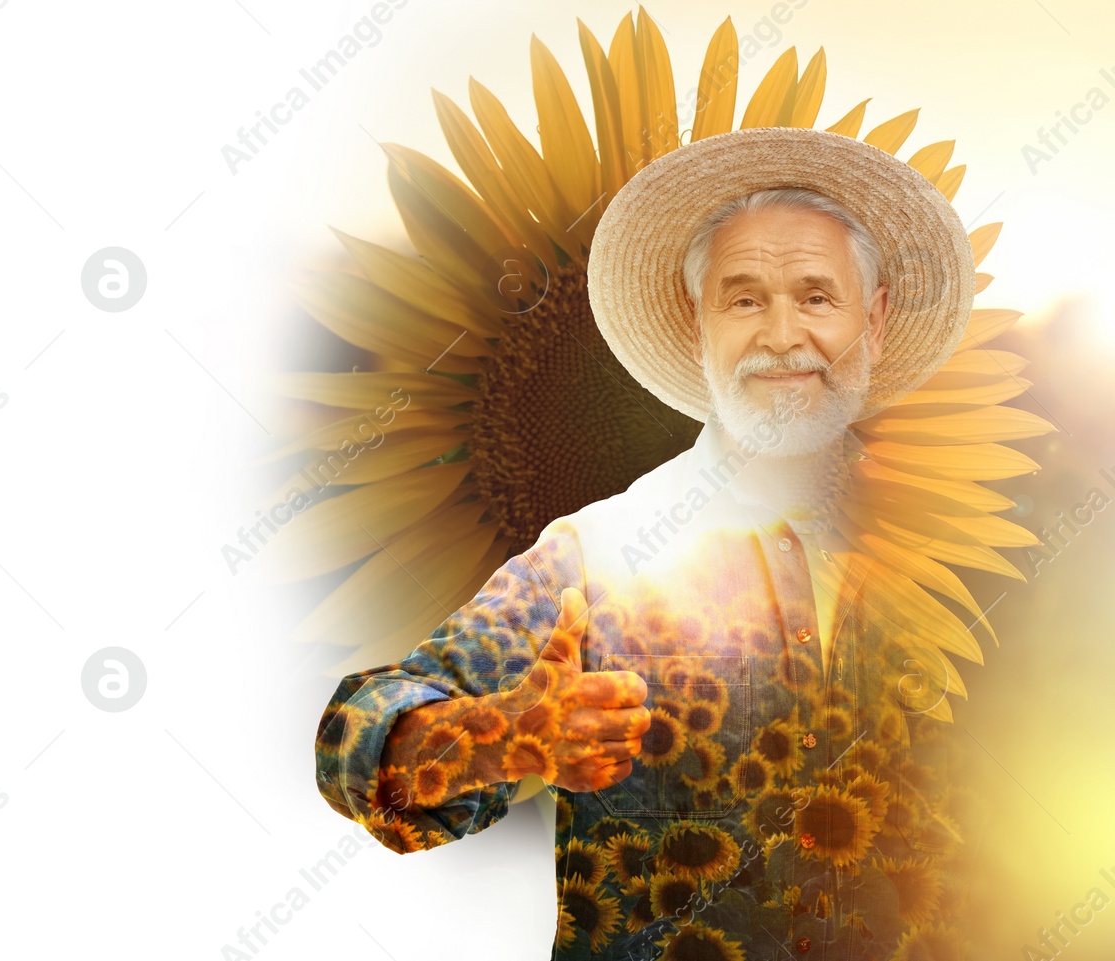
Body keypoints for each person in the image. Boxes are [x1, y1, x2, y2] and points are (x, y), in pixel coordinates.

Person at [314, 126, 991, 959]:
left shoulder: (959, 547)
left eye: (817, 296)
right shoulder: (601, 558)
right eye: (744, 298)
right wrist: (500, 735)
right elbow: (356, 739)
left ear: (875, 320)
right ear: (697, 322)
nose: (782, 335)